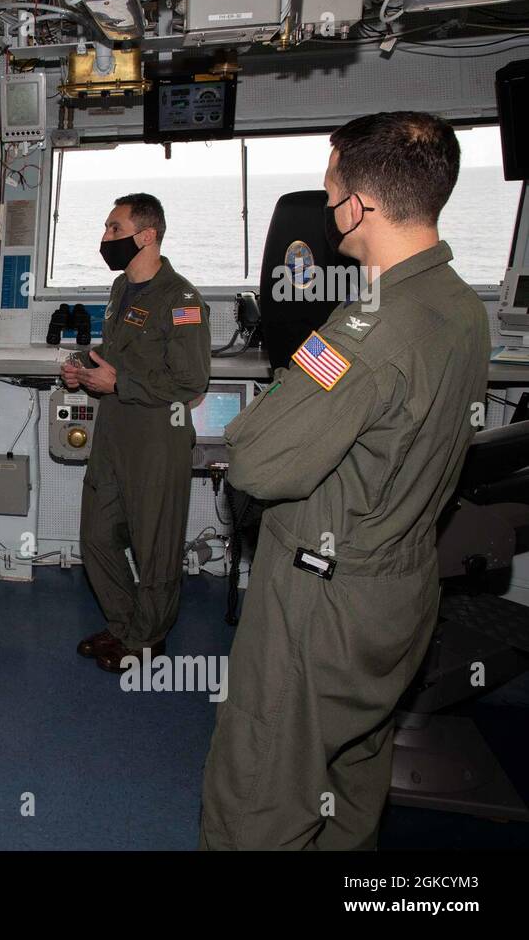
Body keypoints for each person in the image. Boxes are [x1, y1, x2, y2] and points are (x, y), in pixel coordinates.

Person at [199, 112, 489, 850]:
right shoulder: (459, 304)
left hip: (321, 599)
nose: (327, 206)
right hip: (399, 591)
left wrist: (255, 423)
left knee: (263, 788)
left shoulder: (367, 326)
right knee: (351, 777)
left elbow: (259, 461)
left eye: (331, 187)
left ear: (357, 203)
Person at [60, 194, 211, 672]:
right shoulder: (121, 289)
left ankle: (147, 641)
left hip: (156, 436)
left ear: (146, 236)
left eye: (113, 228)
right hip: (114, 430)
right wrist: (83, 366)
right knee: (97, 537)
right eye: (106, 228)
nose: (105, 238)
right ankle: (124, 624)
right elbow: (121, 348)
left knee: (155, 548)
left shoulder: (183, 300)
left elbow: (191, 383)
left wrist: (120, 382)